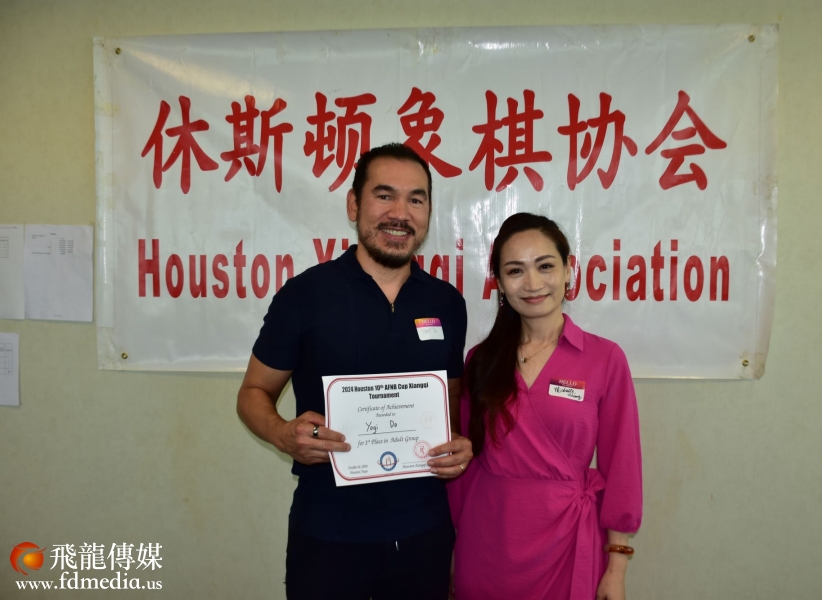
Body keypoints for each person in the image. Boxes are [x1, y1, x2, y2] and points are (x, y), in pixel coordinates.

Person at [237, 143, 472, 600]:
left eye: (416, 199)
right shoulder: (305, 295)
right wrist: (283, 433)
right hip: (329, 531)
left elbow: (452, 404)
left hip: (424, 532)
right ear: (353, 205)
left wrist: (459, 445)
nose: (400, 213)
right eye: (384, 196)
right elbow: (252, 393)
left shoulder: (446, 303)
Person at [448, 213, 642, 600]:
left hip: (567, 544)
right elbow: (463, 464)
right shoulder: (481, 361)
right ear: (499, 282)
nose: (533, 284)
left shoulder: (604, 359)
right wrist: (453, 551)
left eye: (546, 266)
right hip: (486, 541)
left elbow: (622, 467)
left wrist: (616, 569)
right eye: (515, 271)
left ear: (569, 270)